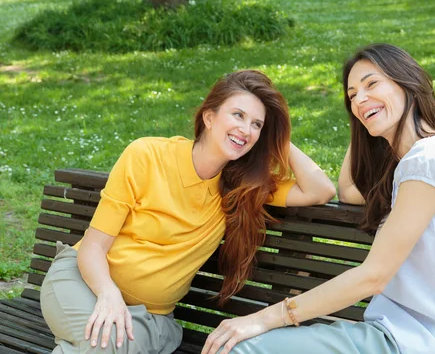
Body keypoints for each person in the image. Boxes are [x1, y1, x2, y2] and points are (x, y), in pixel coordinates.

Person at [202, 44, 435, 354]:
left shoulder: (432, 157)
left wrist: (266, 318)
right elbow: (348, 192)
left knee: (241, 350)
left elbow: (373, 277)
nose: (359, 99)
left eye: (371, 84)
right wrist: (365, 117)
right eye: (352, 95)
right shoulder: (414, 163)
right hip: (398, 337)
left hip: (430, 343)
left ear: (407, 81)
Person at [40, 69, 337, 353]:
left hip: (151, 317)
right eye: (238, 115)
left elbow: (320, 189)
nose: (246, 130)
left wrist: (277, 138)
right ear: (209, 116)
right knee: (102, 345)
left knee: (105, 345)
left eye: (257, 124)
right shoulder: (147, 155)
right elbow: (92, 248)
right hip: (82, 282)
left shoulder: (242, 188)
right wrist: (109, 295)